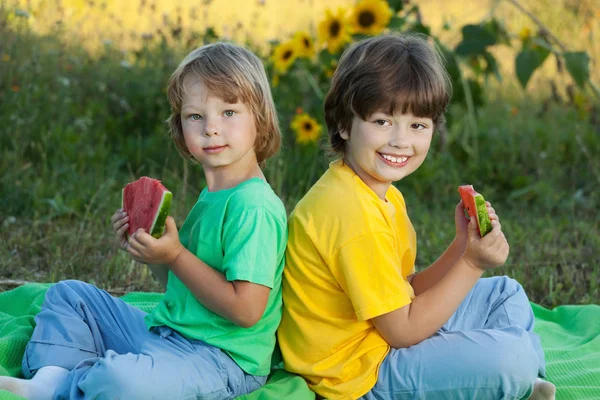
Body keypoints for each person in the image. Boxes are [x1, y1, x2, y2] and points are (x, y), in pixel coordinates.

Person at [0, 42, 287, 400]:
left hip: (222, 360)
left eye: (228, 112)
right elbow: (181, 289)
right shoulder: (214, 195)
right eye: (195, 116)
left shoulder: (253, 206)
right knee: (70, 295)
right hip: (170, 333)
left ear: (260, 119)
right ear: (180, 128)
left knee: (123, 382)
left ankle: (73, 384)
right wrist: (152, 256)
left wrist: (176, 255)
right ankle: (50, 380)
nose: (211, 129)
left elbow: (246, 310)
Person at [277, 34, 556, 400]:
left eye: (418, 125)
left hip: (379, 337)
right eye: (382, 121)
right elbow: (402, 331)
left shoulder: (380, 193)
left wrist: (460, 247)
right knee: (511, 357)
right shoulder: (349, 212)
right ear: (344, 124)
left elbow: (404, 290)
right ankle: (509, 377)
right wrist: (471, 264)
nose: (400, 141)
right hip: (357, 376)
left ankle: (507, 381)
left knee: (505, 295)